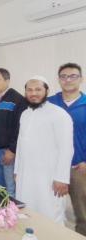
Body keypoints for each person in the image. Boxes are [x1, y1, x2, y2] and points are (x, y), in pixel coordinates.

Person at [15, 76, 73, 224]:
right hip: (26, 174)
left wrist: (62, 178)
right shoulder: (25, 114)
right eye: (29, 90)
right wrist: (17, 170)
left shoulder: (59, 114)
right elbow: (20, 145)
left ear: (47, 91)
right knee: (27, 213)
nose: (33, 93)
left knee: (50, 214)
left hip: (49, 178)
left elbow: (66, 148)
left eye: (38, 89)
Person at [49, 63, 86, 235]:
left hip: (79, 168)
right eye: (63, 76)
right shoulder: (50, 103)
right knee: (51, 210)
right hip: (52, 167)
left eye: (73, 76)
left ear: (81, 79)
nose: (68, 80)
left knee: (82, 213)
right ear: (59, 80)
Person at [0, 68, 27, 197]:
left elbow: (19, 128)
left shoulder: (17, 99)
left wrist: (12, 150)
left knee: (10, 187)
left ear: (7, 81)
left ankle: (11, 214)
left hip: (7, 151)